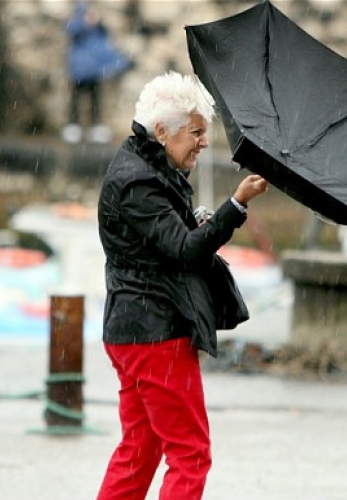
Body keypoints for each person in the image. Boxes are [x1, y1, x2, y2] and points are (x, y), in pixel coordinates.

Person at [96, 71, 269, 500]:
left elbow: (165, 241)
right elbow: (187, 252)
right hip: (155, 333)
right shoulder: (138, 181)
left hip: (133, 330)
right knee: (190, 453)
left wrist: (202, 220)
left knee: (140, 448)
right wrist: (235, 205)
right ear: (161, 132)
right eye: (195, 132)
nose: (203, 142)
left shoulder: (146, 166)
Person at [62, 1, 131, 144]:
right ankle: (73, 126)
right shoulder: (78, 30)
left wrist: (120, 63)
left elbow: (107, 51)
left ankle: (95, 126)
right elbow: (69, 29)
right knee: (76, 101)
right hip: (79, 72)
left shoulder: (99, 32)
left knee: (95, 100)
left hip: (94, 73)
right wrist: (83, 22)